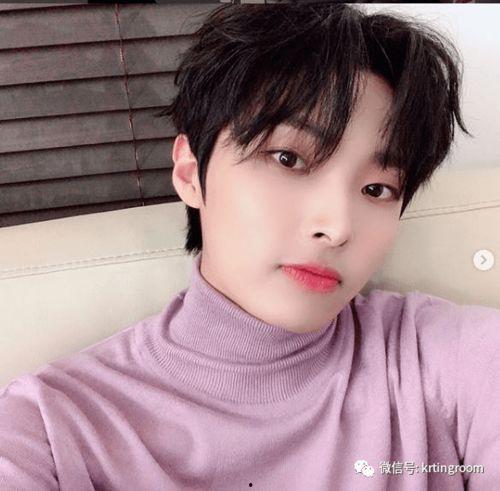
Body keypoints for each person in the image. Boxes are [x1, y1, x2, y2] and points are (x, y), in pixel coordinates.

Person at [1, 2, 499, 489]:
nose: (337, 227)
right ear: (191, 173)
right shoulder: (49, 428)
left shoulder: (448, 357)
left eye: (377, 189)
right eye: (288, 159)